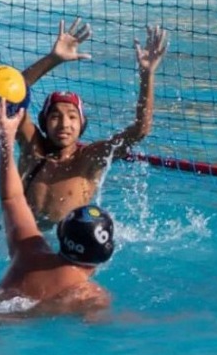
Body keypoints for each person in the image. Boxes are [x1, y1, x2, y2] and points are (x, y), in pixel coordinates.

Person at [16, 18, 168, 227]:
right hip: (18, 238)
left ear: (82, 124)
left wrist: (146, 75)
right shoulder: (32, 149)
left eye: (72, 116)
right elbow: (10, 96)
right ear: (44, 122)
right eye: (55, 116)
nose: (64, 124)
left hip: (65, 244)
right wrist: (53, 59)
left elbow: (140, 130)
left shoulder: (89, 159)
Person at [0, 97, 115, 319]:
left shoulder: (28, 250)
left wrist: (5, 139)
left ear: (62, 234)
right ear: (106, 252)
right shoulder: (88, 295)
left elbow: (12, 198)